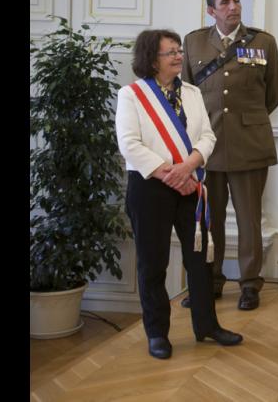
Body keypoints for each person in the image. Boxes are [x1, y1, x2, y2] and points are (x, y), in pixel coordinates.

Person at [116, 29, 243, 360]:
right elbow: (129, 144)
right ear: (150, 59)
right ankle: (157, 333)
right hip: (150, 188)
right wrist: (171, 174)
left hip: (191, 184)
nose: (178, 56)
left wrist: (188, 167)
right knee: (153, 264)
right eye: (169, 52)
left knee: (201, 261)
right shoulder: (132, 95)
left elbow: (207, 136)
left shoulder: (192, 92)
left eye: (178, 51)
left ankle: (207, 327)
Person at [181, 0, 278, 311]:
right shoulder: (194, 43)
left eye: (236, 1)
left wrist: (245, 122)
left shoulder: (263, 42)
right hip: (207, 148)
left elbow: (274, 94)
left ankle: (250, 284)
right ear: (211, 10)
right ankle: (210, 281)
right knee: (209, 219)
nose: (233, 7)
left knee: (250, 219)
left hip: (250, 144)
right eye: (225, 2)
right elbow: (186, 95)